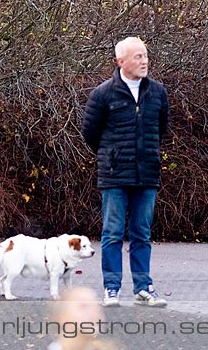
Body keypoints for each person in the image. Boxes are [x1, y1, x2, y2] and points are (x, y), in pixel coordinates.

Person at [80, 36, 170, 309]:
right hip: (114, 175)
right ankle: (112, 288)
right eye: (137, 57)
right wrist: (113, 155)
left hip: (147, 174)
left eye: (145, 55)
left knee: (142, 233)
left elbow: (161, 129)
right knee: (113, 233)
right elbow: (90, 134)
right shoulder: (103, 94)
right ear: (121, 62)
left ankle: (143, 288)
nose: (144, 61)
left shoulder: (158, 92)